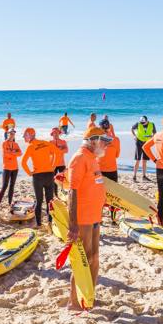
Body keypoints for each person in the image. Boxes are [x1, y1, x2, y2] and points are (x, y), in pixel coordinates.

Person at [64, 127, 111, 309]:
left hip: (94, 217)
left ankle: (89, 297)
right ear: (93, 140)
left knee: (94, 257)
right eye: (103, 141)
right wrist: (73, 224)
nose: (106, 145)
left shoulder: (93, 158)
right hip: (82, 219)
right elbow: (72, 192)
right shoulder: (79, 158)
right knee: (82, 261)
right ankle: (74, 301)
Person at [20, 127, 58, 228]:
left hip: (38, 176)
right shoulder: (46, 143)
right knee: (50, 200)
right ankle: (50, 223)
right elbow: (57, 153)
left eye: (25, 136)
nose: (24, 138)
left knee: (39, 200)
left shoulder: (31, 146)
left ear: (29, 136)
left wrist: (29, 173)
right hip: (49, 174)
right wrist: (53, 166)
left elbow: (23, 163)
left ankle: (39, 224)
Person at [0, 129, 21, 206]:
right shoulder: (4, 143)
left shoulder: (16, 144)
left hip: (15, 168)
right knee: (4, 186)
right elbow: (5, 154)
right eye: (10, 133)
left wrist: (11, 153)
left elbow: (20, 153)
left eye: (13, 133)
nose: (12, 135)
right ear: (7, 134)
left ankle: (9, 203)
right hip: (7, 168)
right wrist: (14, 153)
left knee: (12, 186)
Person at [130, 116, 155, 181]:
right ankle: (134, 176)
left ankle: (144, 176)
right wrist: (134, 136)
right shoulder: (138, 124)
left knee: (145, 160)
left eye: (143, 122)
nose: (142, 123)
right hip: (139, 142)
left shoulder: (152, 124)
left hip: (147, 143)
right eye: (142, 122)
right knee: (138, 160)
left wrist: (152, 136)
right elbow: (132, 128)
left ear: (147, 120)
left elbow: (155, 133)